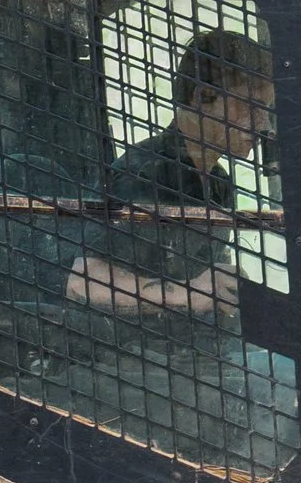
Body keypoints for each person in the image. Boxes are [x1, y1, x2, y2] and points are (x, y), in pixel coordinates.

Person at [64, 24, 277, 325]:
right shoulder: (143, 173)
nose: (264, 124)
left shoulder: (219, 182)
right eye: (251, 106)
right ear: (202, 96)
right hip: (135, 355)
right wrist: (188, 294)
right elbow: (82, 282)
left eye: (267, 108)